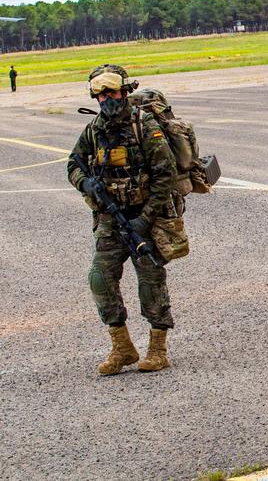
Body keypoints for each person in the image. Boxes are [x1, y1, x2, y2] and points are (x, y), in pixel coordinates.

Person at [66, 65, 179, 375]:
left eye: (111, 92)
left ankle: (158, 349)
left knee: (151, 282)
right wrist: (85, 182)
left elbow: (165, 175)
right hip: (110, 221)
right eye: (100, 94)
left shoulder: (145, 127)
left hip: (145, 218)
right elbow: (73, 165)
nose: (106, 99)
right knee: (99, 280)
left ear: (124, 91)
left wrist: (145, 219)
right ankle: (123, 347)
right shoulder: (93, 130)